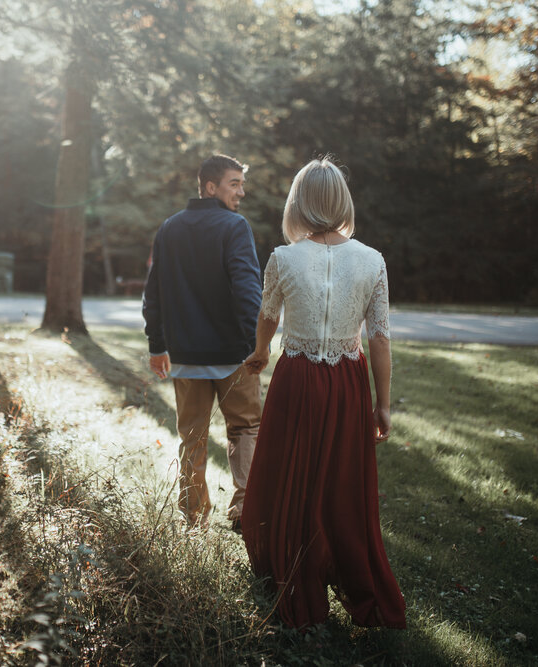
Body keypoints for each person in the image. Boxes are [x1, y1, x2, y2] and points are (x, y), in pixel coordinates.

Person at [240, 158, 406, 630]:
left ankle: (293, 570)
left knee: (293, 473)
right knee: (340, 478)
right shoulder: (372, 260)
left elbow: (268, 315)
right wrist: (383, 404)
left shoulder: (283, 258)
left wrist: (260, 352)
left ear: (299, 203)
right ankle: (347, 569)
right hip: (348, 382)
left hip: (297, 379)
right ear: (342, 203)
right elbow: (379, 337)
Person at [142, 154, 263, 531]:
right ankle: (245, 508)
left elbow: (153, 294)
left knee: (191, 437)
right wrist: (256, 345)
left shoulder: (169, 228)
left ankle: (194, 518)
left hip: (186, 358)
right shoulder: (234, 227)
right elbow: (248, 292)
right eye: (234, 183)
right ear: (210, 187)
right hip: (233, 356)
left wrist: (157, 346)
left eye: (241, 184)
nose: (241, 192)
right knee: (244, 429)